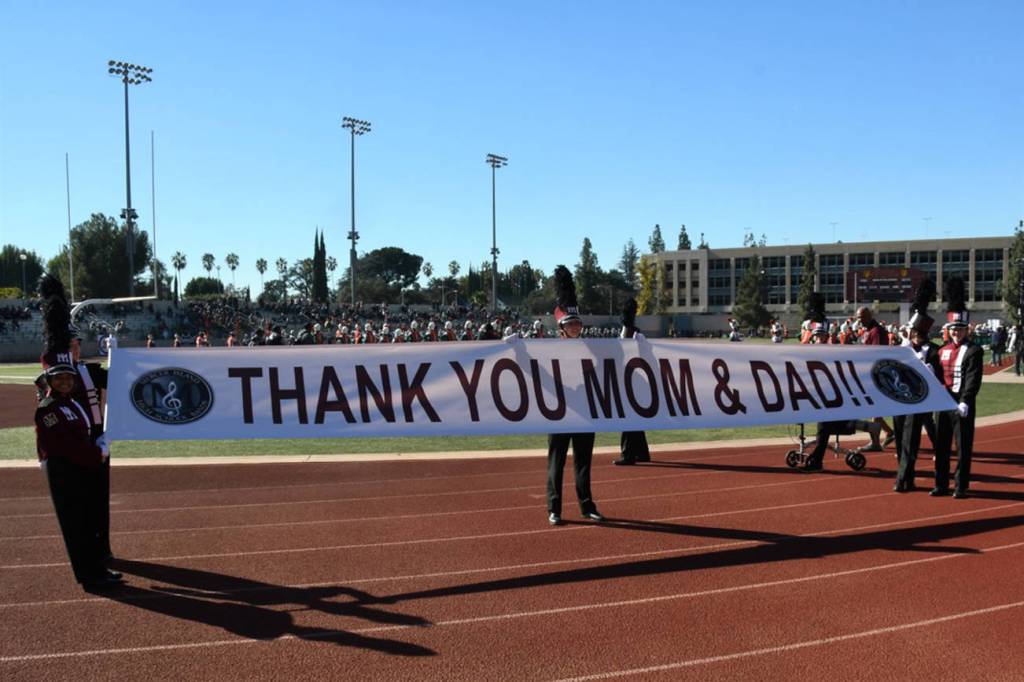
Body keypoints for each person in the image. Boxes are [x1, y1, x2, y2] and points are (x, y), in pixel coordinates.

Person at [35, 361, 123, 590]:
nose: (65, 382)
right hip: (65, 471)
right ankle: (89, 576)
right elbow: (64, 445)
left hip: (78, 467)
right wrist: (97, 453)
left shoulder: (69, 402)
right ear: (49, 381)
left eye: (69, 378)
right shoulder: (48, 407)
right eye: (59, 378)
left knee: (87, 522)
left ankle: (97, 569)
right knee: (75, 526)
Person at [546, 266, 603, 525]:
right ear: (561, 327)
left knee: (583, 462)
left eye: (578, 323)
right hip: (559, 413)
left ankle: (586, 505)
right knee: (556, 463)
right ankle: (554, 507)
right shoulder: (549, 351)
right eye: (571, 324)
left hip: (585, 412)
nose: (576, 327)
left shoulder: (591, 348)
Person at [932, 277, 984, 499]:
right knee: (941, 446)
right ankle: (941, 484)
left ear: (966, 330)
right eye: (954, 329)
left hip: (962, 403)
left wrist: (965, 400)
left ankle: (961, 485)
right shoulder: (941, 350)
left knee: (963, 447)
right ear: (949, 329)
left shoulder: (974, 351)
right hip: (943, 403)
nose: (957, 332)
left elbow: (973, 378)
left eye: (961, 329)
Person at [894, 280, 941, 492]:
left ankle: (903, 479)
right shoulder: (903, 347)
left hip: (919, 401)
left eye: (911, 330)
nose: (908, 332)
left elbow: (936, 376)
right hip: (898, 399)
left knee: (911, 441)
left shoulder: (932, 351)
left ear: (918, 331)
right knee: (900, 440)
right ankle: (905, 475)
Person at [615, 298, 651, 466]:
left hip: (636, 380)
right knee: (635, 417)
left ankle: (628, 454)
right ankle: (642, 452)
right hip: (631, 379)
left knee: (628, 417)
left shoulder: (638, 336)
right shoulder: (628, 334)